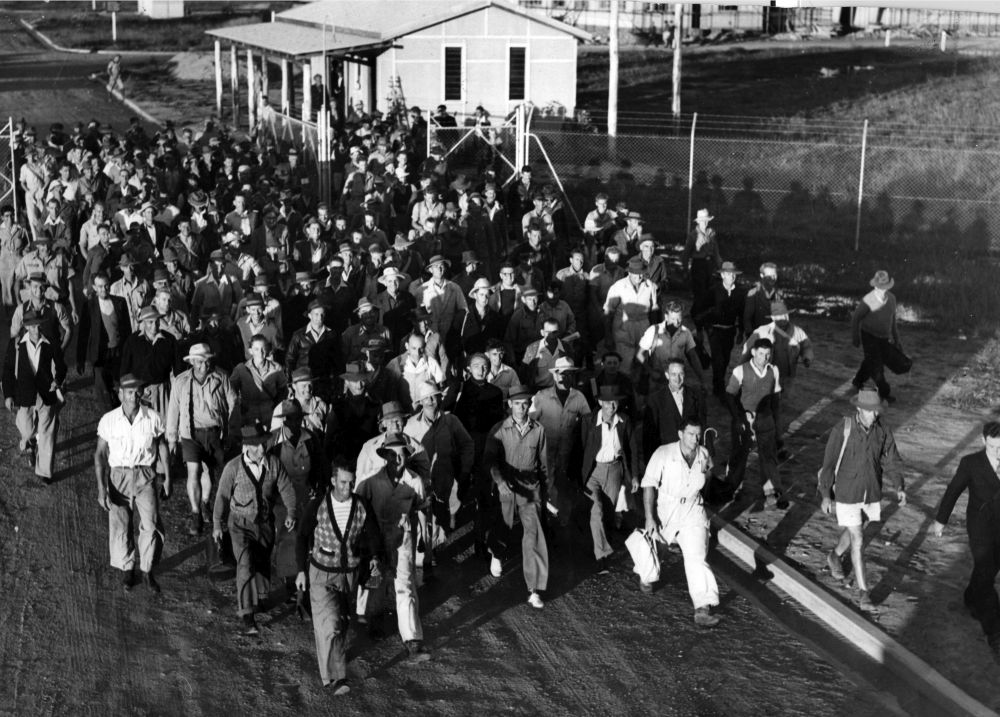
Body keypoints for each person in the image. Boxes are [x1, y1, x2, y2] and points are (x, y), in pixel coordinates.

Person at [296, 464, 383, 694]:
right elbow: (302, 536)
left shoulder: (362, 506)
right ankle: (336, 678)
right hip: (320, 575)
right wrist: (300, 570)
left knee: (342, 621)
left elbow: (373, 533)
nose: (348, 487)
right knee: (331, 624)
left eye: (351, 482)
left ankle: (335, 660)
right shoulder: (318, 505)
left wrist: (374, 557)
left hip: (349, 576)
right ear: (333, 481)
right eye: (343, 482)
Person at [818, 388, 905, 612]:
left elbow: (891, 459)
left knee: (857, 529)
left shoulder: (883, 430)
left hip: (871, 491)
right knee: (857, 538)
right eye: (869, 411)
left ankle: (834, 555)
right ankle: (864, 593)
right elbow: (828, 464)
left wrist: (899, 485)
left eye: (876, 411)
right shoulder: (843, 428)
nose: (874, 415)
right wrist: (826, 494)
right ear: (858, 409)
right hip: (847, 492)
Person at [213, 424, 298, 635]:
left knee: (262, 561)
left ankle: (259, 598)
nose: (262, 448)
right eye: (258, 445)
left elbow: (286, 488)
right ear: (248, 446)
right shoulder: (233, 468)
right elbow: (222, 497)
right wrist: (216, 524)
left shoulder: (274, 464)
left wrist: (291, 512)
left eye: (264, 443)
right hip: (239, 524)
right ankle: (247, 614)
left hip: (265, 524)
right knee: (245, 564)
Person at [354, 432, 431, 662]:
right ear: (384, 455)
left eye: (401, 454)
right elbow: (357, 508)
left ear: (407, 456)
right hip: (377, 540)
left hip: (402, 540)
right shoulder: (370, 481)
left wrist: (422, 538)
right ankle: (374, 619)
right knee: (376, 581)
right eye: (391, 454)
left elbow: (420, 506)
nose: (397, 459)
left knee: (405, 587)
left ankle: (413, 642)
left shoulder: (414, 481)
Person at [640, 418, 722, 627]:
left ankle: (702, 607)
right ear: (680, 434)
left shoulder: (703, 454)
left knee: (696, 556)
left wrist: (708, 469)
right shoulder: (663, 453)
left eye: (698, 434)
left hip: (693, 510)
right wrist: (650, 518)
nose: (695, 439)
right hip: (667, 509)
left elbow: (707, 478)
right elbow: (649, 484)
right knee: (652, 556)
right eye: (690, 434)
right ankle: (646, 574)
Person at [94, 374, 171, 593]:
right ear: (120, 394)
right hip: (119, 477)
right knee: (120, 525)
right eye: (129, 392)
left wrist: (167, 478)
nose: (134, 396)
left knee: (152, 524)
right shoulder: (108, 420)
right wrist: (101, 488)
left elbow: (163, 447)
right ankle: (127, 568)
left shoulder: (152, 418)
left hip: (145, 475)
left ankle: (147, 570)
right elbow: (99, 454)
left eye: (137, 391)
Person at [932, 421, 1000, 659]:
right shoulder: (970, 463)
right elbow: (953, 491)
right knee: (986, 569)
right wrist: (941, 520)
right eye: (993, 447)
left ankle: (971, 596)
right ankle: (995, 632)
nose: (998, 453)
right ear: (984, 442)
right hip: (979, 526)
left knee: (990, 570)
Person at [483, 385, 550, 609]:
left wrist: (547, 493)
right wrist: (500, 482)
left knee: (534, 534)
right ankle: (497, 553)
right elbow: (490, 461)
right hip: (507, 485)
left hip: (531, 487)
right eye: (517, 403)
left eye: (525, 403)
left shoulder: (539, 430)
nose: (521, 407)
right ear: (509, 404)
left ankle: (535, 588)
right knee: (503, 525)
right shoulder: (499, 429)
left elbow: (543, 465)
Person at [166, 342, 238, 536]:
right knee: (193, 471)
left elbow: (233, 403)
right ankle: (195, 512)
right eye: (201, 361)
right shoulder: (181, 382)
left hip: (214, 433)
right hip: (190, 433)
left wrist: (231, 430)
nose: (205, 365)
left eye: (207, 361)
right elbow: (172, 410)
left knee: (208, 471)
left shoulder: (221, 377)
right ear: (193, 362)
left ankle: (205, 502)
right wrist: (172, 438)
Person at [404, 380, 474, 540]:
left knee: (446, 518)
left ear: (440, 398)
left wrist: (465, 470)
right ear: (420, 402)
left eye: (433, 397)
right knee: (427, 519)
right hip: (423, 480)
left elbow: (467, 444)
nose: (430, 401)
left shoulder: (451, 421)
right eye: (426, 398)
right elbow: (405, 455)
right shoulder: (410, 426)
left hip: (448, 478)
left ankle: (439, 544)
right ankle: (430, 552)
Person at [580, 386, 639, 573]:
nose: (611, 406)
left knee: (608, 511)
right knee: (596, 509)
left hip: (614, 470)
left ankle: (599, 544)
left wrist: (634, 475)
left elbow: (632, 449)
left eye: (614, 402)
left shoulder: (624, 421)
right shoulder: (589, 421)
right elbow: (579, 447)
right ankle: (602, 556)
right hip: (593, 472)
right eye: (607, 402)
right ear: (600, 402)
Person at [2, 310, 66, 483]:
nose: (36, 329)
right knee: (27, 428)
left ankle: (44, 472)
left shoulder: (50, 343)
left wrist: (57, 380)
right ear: (26, 327)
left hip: (47, 394)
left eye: (38, 325)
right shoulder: (16, 344)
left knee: (47, 433)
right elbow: (7, 370)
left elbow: (62, 366)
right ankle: (30, 440)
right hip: (25, 394)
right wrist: (8, 395)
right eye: (32, 326)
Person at [726, 337, 786, 510]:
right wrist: (739, 418)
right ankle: (732, 488)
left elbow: (776, 400)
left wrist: (777, 426)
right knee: (739, 454)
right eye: (761, 354)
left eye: (768, 354)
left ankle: (772, 492)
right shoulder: (740, 370)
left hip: (765, 419)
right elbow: (730, 396)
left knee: (769, 456)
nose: (765, 358)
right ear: (753, 353)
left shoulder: (773, 371)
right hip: (745, 419)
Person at [77, 272, 132, 409]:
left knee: (121, 388)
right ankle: (108, 422)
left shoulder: (120, 303)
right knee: (104, 394)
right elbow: (83, 334)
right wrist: (80, 359)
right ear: (94, 287)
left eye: (106, 286)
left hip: (118, 354)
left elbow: (127, 331)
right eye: (100, 286)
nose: (104, 290)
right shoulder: (89, 306)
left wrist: (130, 355)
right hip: (100, 356)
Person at [695, 261, 745, 398]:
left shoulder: (740, 292)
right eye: (729, 274)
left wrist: (741, 331)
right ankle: (719, 388)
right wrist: (701, 328)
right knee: (719, 359)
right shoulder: (713, 291)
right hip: (714, 330)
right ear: (722, 275)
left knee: (726, 358)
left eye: (734, 274)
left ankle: (718, 382)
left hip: (730, 330)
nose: (732, 277)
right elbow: (700, 310)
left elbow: (742, 312)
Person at [851, 270, 901, 402]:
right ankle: (884, 392)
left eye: (884, 287)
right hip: (869, 335)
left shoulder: (891, 299)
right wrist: (855, 337)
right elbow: (856, 318)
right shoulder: (870, 299)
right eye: (879, 287)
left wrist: (897, 339)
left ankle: (858, 380)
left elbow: (893, 321)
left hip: (884, 337)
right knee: (876, 366)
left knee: (871, 360)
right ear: (875, 286)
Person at [603, 256, 657, 376]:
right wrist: (608, 335)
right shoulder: (618, 286)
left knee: (642, 363)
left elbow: (654, 311)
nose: (639, 276)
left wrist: (654, 333)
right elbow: (608, 312)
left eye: (641, 273)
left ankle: (640, 392)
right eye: (635, 274)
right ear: (629, 272)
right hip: (623, 328)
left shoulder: (650, 286)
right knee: (624, 365)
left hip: (643, 326)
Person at [119, 305, 177, 417]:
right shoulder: (133, 341)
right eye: (150, 322)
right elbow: (124, 370)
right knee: (144, 423)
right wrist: (126, 393)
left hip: (162, 392)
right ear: (143, 322)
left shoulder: (169, 340)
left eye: (157, 321)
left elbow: (178, 370)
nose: (154, 326)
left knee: (162, 423)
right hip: (140, 394)